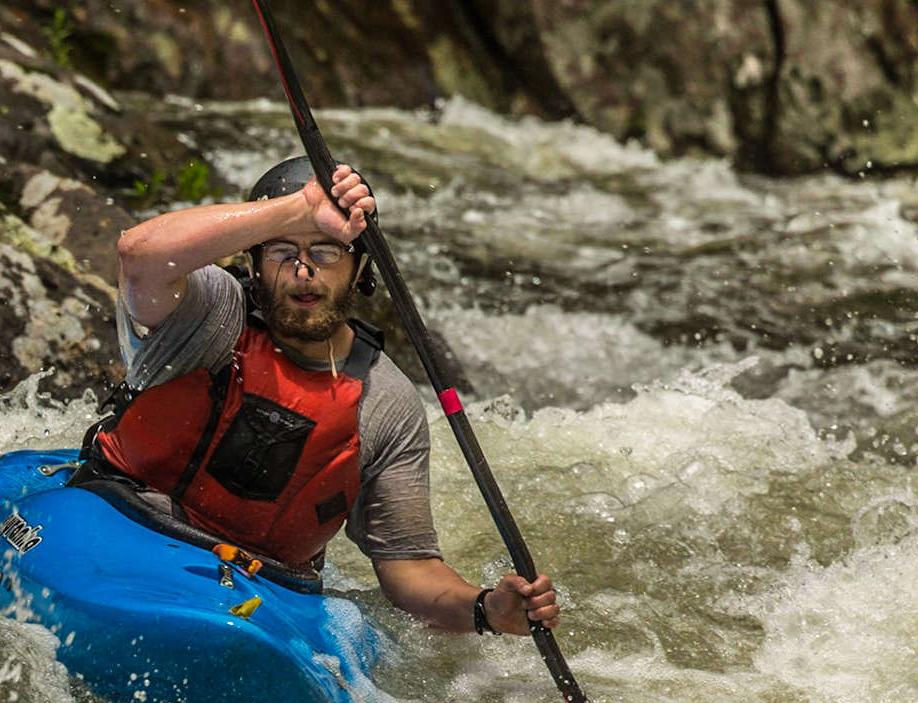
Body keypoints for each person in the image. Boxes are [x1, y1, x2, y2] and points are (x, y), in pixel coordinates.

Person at [75, 156, 559, 636]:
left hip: (258, 590)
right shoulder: (209, 314)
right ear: (253, 262)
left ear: (360, 270)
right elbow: (138, 255)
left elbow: (409, 569)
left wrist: (485, 611)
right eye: (282, 251)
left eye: (327, 251)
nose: (303, 270)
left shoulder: (386, 403)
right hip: (123, 520)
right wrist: (301, 209)